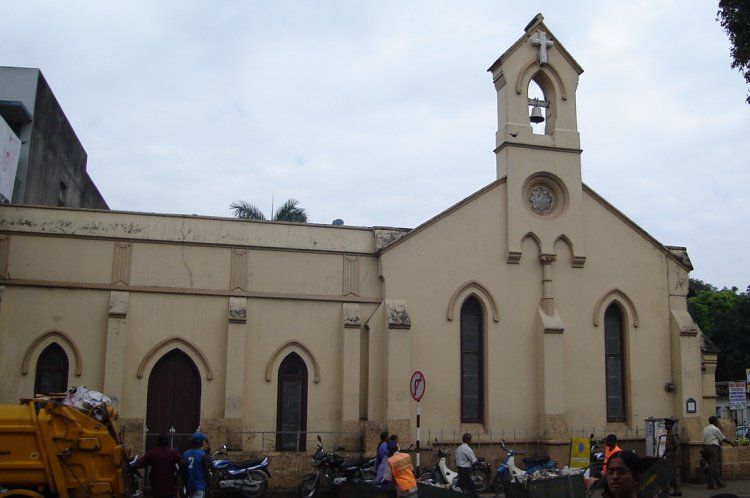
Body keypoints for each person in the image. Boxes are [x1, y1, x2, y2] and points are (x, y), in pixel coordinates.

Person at [133, 434, 183, 498]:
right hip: (170, 490)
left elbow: (138, 464)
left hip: (157, 490)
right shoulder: (172, 453)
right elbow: (182, 464)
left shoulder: (152, 453)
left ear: (157, 442)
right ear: (168, 442)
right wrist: (177, 476)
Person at [702, 415, 735, 489]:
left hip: (705, 447)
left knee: (712, 465)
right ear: (714, 421)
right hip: (713, 448)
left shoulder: (705, 429)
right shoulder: (715, 429)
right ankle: (711, 484)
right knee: (712, 467)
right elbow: (722, 439)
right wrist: (731, 443)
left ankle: (719, 483)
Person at [182, 432, 211, 498]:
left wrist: (184, 486)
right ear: (200, 442)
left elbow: (183, 473)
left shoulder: (185, 454)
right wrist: (211, 488)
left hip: (189, 486)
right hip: (199, 487)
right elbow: (207, 473)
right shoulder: (203, 455)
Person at [454, 433, 478, 498]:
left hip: (459, 468)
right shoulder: (467, 449)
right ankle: (474, 495)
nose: (471, 441)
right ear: (468, 440)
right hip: (465, 469)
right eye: (470, 440)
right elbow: (473, 460)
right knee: (469, 484)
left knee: (462, 482)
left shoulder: (458, 448)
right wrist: (478, 463)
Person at [663, 417, 682, 496]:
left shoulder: (672, 434)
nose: (665, 426)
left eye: (666, 424)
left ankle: (676, 491)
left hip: (673, 458)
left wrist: (672, 454)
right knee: (671, 474)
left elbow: (676, 445)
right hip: (670, 456)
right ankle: (674, 490)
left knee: (673, 474)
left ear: (670, 425)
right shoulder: (669, 433)